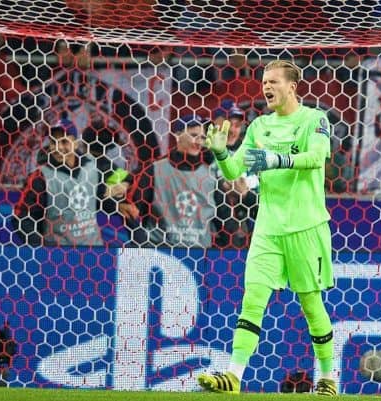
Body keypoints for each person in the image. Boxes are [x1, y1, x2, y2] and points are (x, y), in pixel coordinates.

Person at [197, 60, 336, 396]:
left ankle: (328, 378)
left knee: (311, 305)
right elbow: (234, 171)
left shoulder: (314, 119)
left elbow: (317, 158)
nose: (266, 88)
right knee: (253, 299)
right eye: (264, 83)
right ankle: (233, 376)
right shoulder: (260, 126)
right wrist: (220, 152)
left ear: (292, 86)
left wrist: (276, 160)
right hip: (268, 228)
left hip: (306, 227)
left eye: (273, 82)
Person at [12, 118, 137, 246]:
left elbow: (97, 197)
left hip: (94, 251)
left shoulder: (92, 165)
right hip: (60, 256)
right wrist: (43, 250)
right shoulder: (40, 177)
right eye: (53, 142)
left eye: (64, 142)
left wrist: (118, 203)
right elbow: (21, 219)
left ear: (75, 143)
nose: (58, 148)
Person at [129, 114, 219, 247]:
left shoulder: (211, 175)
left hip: (200, 256)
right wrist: (142, 245)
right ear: (177, 135)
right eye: (194, 135)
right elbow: (133, 211)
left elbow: (223, 220)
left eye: (203, 137)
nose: (199, 142)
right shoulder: (155, 169)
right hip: (161, 254)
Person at [211, 100, 258, 248]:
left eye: (237, 126)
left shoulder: (249, 157)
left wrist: (244, 194)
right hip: (211, 230)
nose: (233, 131)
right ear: (216, 125)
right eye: (228, 125)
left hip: (248, 230)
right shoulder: (204, 154)